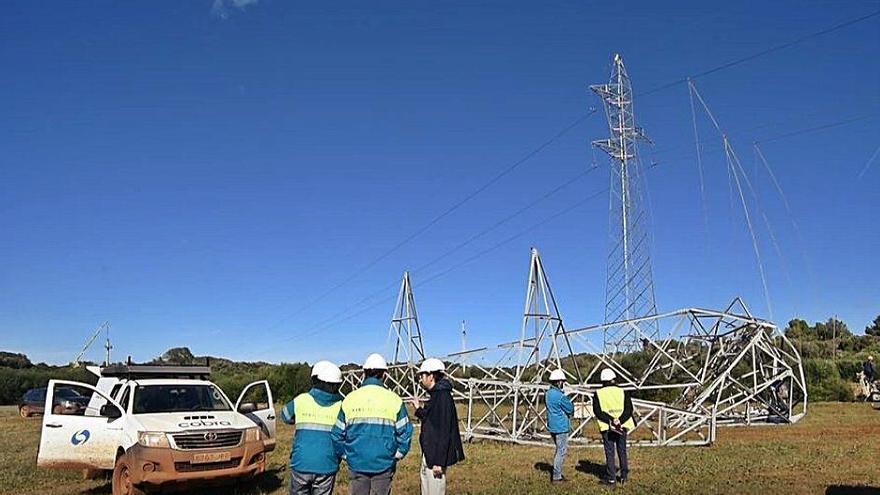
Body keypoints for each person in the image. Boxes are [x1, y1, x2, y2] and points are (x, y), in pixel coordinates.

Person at [331, 353, 413, 495]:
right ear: (384, 375)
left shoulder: (350, 399)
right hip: (384, 464)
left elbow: (337, 434)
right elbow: (405, 433)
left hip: (356, 463)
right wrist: (396, 455)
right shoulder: (394, 400)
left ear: (364, 373)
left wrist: (346, 455)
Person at [281, 360, 345, 495]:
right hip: (327, 464)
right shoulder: (341, 405)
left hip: (301, 463)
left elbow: (285, 416)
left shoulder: (301, 400)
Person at [410, 358, 465, 495]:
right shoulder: (436, 395)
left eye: (422, 375)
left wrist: (439, 462)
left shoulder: (442, 397)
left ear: (431, 376)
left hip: (435, 458)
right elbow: (431, 419)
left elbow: (444, 431)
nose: (421, 379)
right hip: (429, 455)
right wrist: (418, 409)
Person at [593, 368, 634, 487]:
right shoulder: (623, 392)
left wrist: (611, 420)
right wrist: (619, 420)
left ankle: (611, 479)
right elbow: (629, 410)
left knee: (610, 452)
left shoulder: (598, 393)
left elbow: (597, 411)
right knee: (622, 450)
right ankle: (624, 476)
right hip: (622, 426)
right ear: (614, 378)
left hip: (607, 426)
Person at [545, 369, 574, 484]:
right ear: (559, 382)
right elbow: (570, 408)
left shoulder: (548, 394)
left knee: (558, 450)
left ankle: (557, 473)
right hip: (561, 426)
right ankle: (557, 476)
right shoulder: (560, 396)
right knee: (561, 451)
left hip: (552, 425)